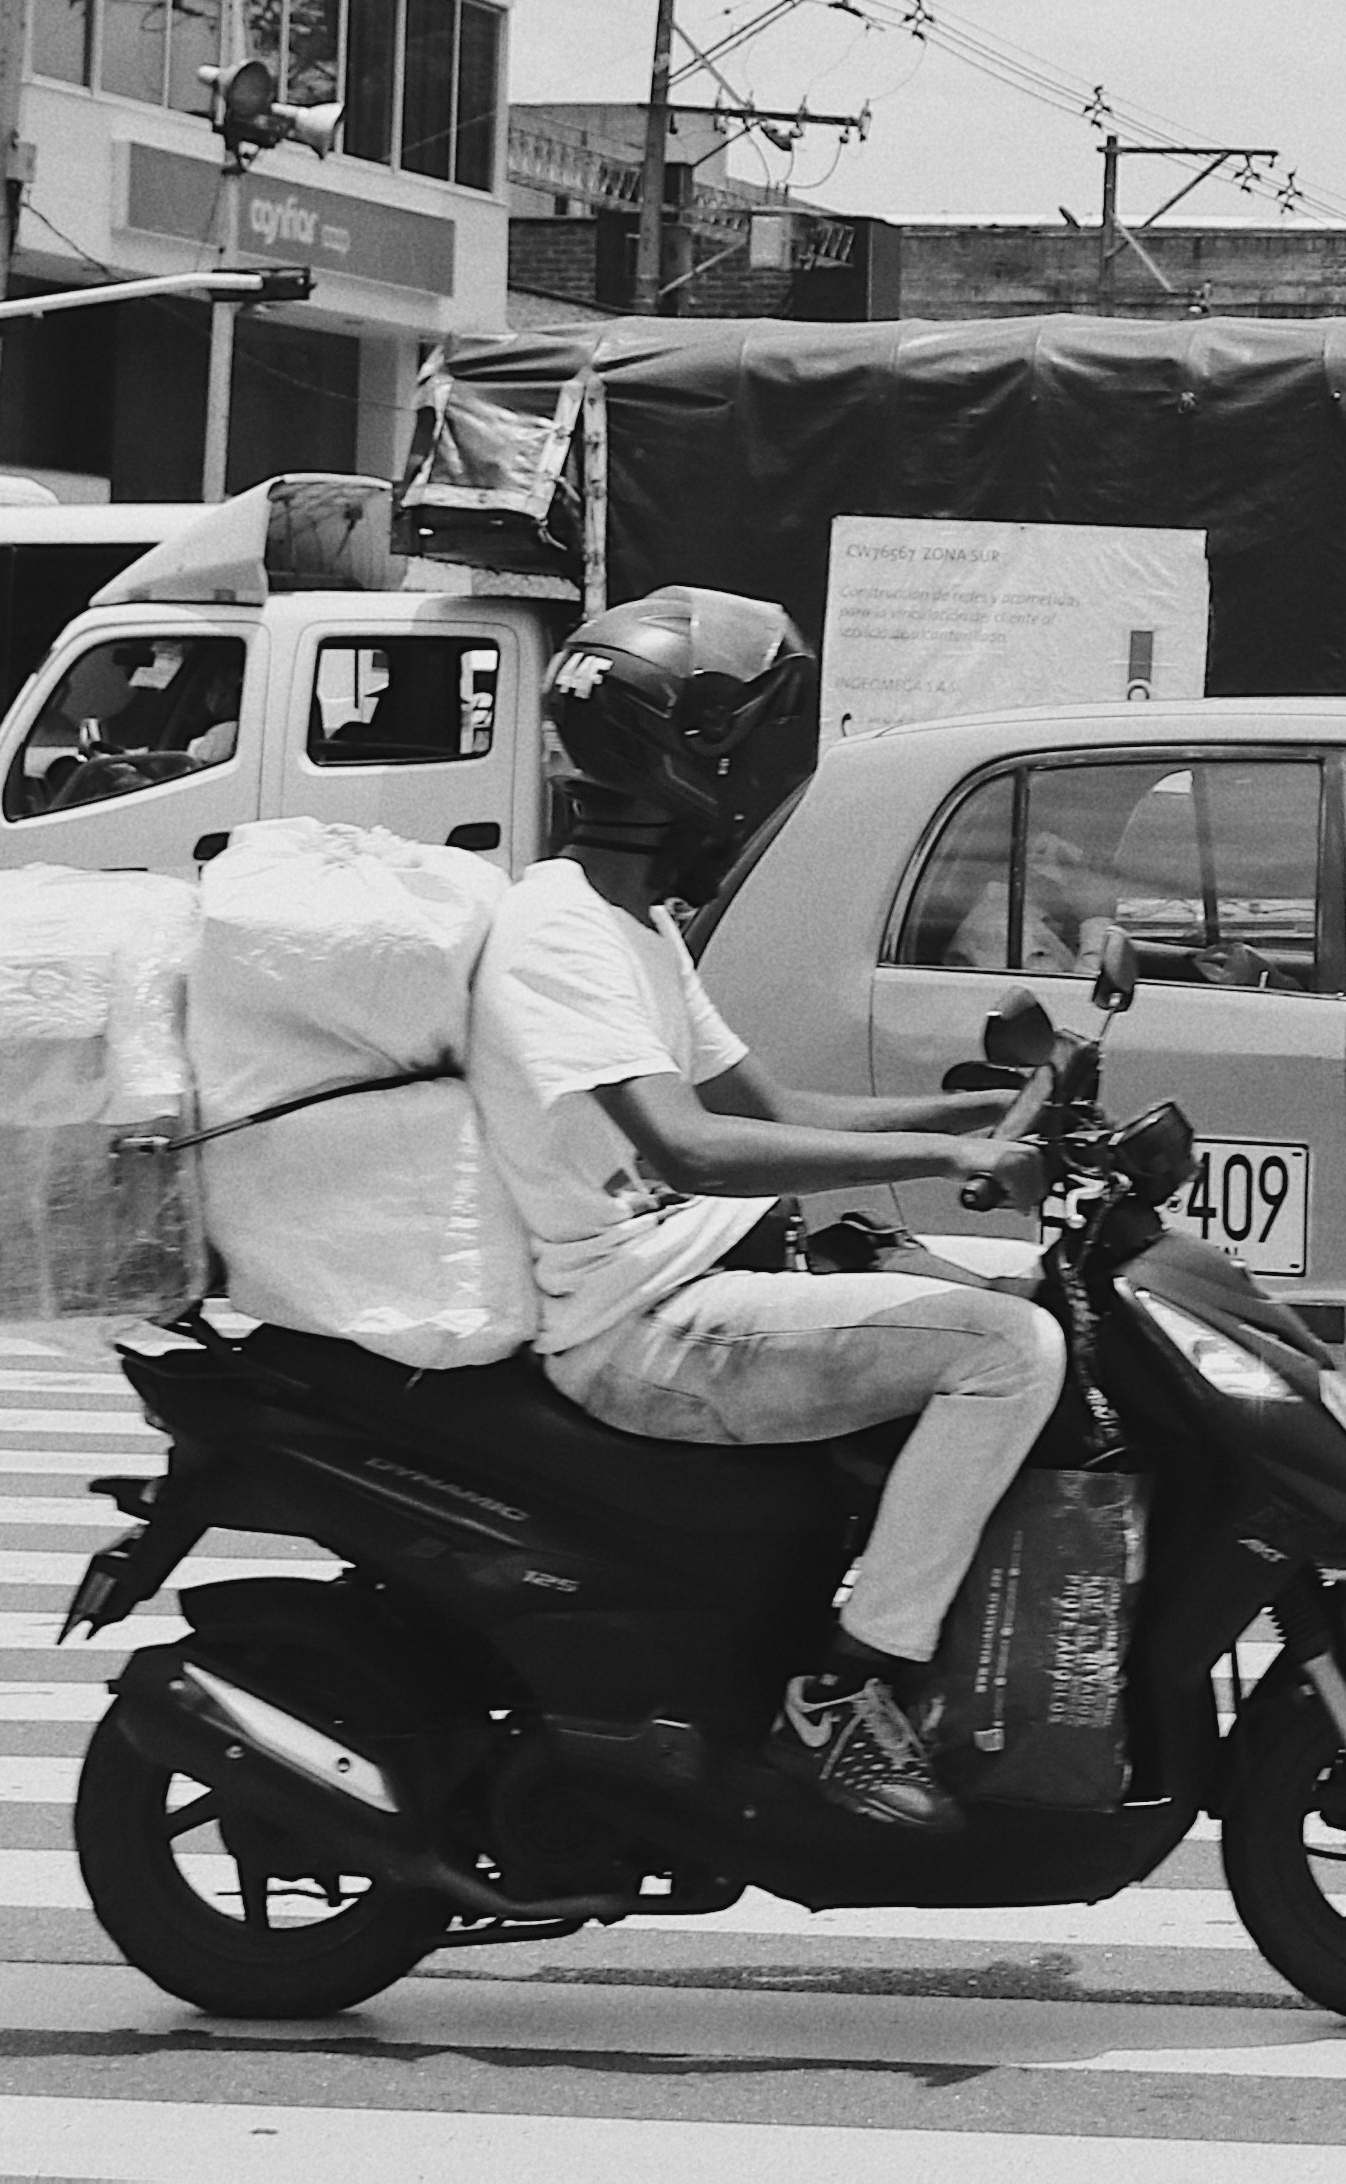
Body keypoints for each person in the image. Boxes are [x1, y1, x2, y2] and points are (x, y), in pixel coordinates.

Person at [471, 590, 1062, 1840]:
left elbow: (774, 1103)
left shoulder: (636, 926)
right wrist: (945, 1156)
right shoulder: (557, 936)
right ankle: (847, 1689)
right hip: (641, 1324)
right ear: (684, 759)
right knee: (1010, 1354)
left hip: (693, 1280)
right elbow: (692, 1144)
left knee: (1017, 1298)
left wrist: (971, 1118)